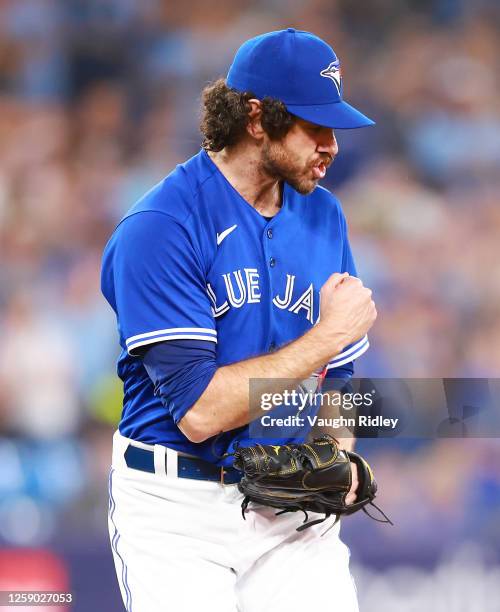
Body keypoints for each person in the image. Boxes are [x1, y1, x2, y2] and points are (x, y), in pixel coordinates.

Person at [101, 28, 377, 612]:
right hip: (178, 509)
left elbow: (343, 376)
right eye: (314, 126)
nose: (332, 144)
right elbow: (200, 413)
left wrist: (334, 449)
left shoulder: (324, 214)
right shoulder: (162, 225)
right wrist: (326, 334)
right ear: (257, 118)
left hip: (294, 512)